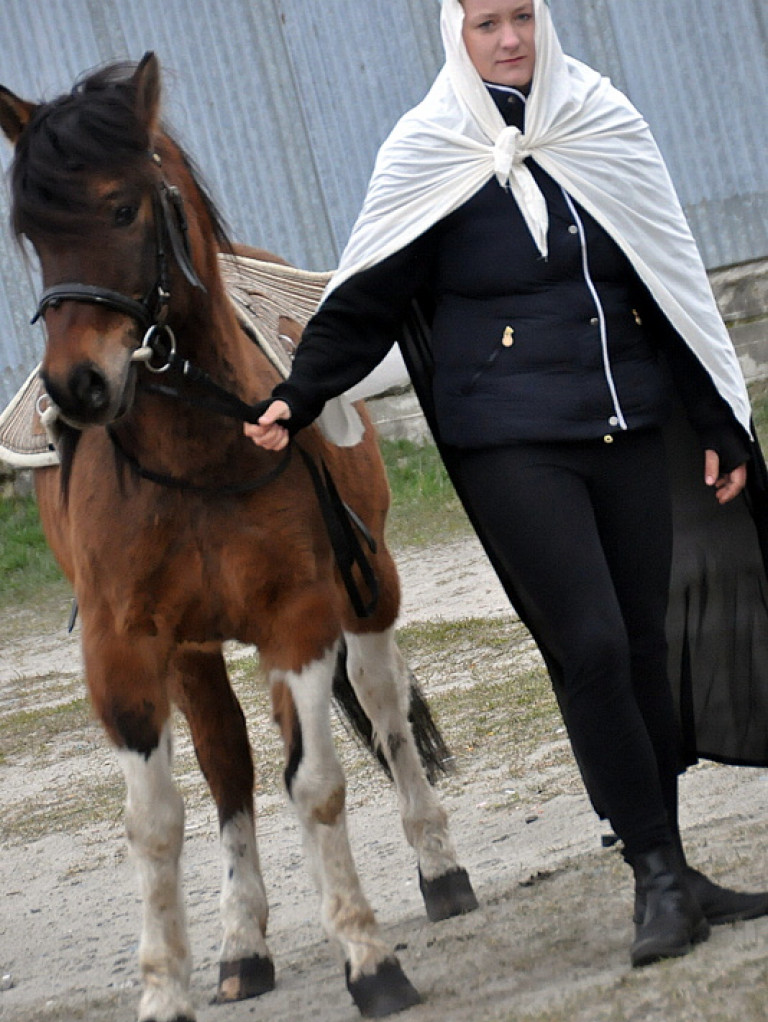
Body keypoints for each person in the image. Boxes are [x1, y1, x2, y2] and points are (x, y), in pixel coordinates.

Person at [245, 0, 768, 968]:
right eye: (488, 22)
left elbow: (665, 278)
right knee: (593, 643)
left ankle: (676, 865)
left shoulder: (600, 121)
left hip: (624, 421)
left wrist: (716, 417)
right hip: (511, 440)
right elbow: (366, 297)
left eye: (523, 15)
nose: (511, 38)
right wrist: (296, 393)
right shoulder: (429, 147)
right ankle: (655, 875)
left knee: (643, 642)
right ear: (457, 33)